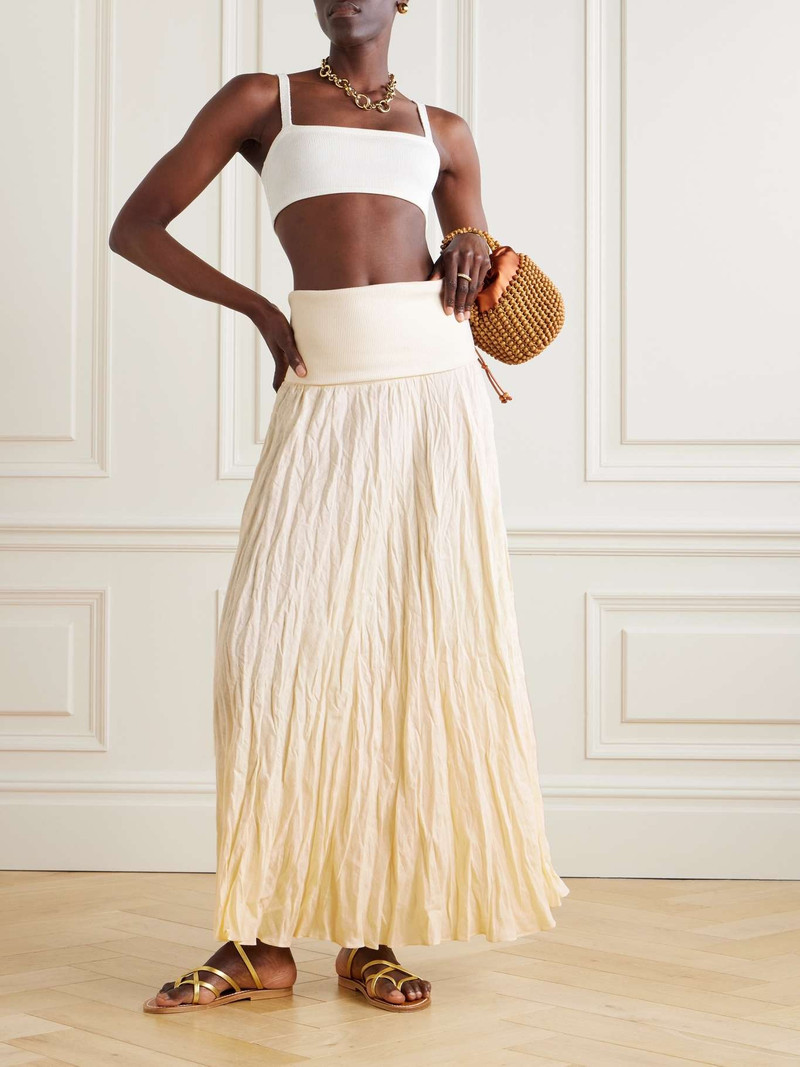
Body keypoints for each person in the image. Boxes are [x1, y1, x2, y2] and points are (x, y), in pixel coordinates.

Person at [110, 0, 569, 1017]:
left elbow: (471, 247)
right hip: (324, 387)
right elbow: (134, 227)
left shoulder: (443, 130)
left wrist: (474, 245)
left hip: (436, 393)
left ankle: (370, 934)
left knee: (404, 658)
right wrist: (260, 310)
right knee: (270, 653)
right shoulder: (260, 100)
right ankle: (258, 941)